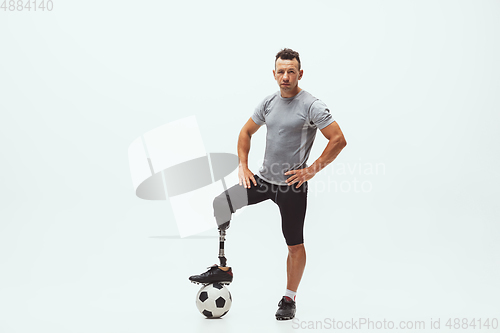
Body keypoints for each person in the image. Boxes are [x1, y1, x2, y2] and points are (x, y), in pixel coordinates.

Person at [189, 48, 347, 320]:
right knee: (221, 203)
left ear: (300, 73)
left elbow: (338, 139)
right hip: (263, 180)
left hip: (291, 186)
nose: (286, 76)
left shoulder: (311, 105)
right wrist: (243, 165)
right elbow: (246, 132)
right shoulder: (269, 103)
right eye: (281, 71)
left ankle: (289, 298)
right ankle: (223, 267)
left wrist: (311, 170)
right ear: (274, 74)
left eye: (291, 71)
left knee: (294, 244)